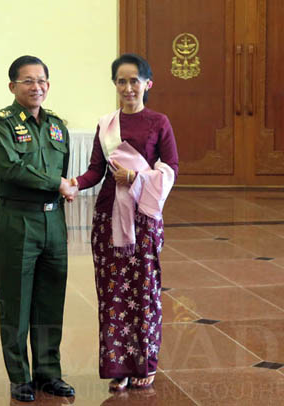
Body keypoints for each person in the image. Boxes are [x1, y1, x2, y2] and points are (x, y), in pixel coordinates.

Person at [72, 54, 179, 391]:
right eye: (122, 81)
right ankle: (117, 364)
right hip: (108, 217)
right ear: (115, 85)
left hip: (143, 218)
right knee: (112, 291)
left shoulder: (158, 122)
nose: (128, 87)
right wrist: (74, 184)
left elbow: (172, 167)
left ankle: (144, 361)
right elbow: (95, 170)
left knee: (143, 290)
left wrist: (137, 176)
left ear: (148, 84)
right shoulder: (106, 124)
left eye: (135, 81)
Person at [0, 55, 77, 403]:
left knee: (51, 301)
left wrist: (60, 187)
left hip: (53, 221)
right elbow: (11, 168)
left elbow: (63, 167)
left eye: (42, 81)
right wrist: (57, 182)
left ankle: (49, 372)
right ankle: (20, 376)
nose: (37, 87)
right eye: (28, 81)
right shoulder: (1, 124)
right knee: (16, 301)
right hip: (16, 221)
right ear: (13, 86)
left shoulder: (57, 125)